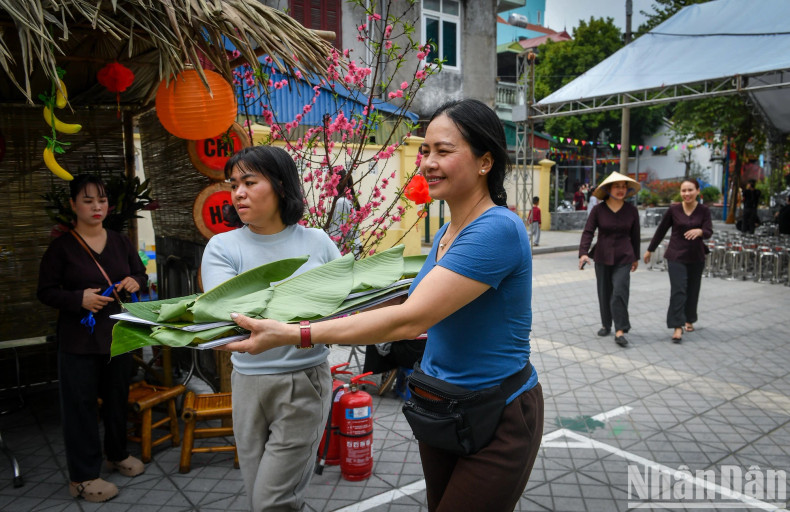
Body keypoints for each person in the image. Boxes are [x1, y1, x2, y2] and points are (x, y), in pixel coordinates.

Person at [218, 99, 543, 512]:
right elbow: (407, 300)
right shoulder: (448, 231)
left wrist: (297, 333)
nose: (427, 162)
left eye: (444, 151)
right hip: (443, 405)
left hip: (498, 411)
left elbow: (411, 318)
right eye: (425, 150)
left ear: (484, 162)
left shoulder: (497, 228)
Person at [199, 146, 341, 512]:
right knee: (257, 493)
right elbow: (230, 314)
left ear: (280, 185)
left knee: (272, 501)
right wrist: (309, 306)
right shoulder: (222, 246)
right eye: (234, 184)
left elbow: (346, 304)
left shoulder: (318, 242)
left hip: (302, 380)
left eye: (249, 182)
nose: (238, 193)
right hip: (246, 383)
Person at [37, 174, 147, 503]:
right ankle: (83, 477)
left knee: (117, 399)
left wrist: (133, 281)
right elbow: (45, 292)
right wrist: (78, 299)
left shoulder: (120, 241)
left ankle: (116, 454)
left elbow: (139, 273)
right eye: (88, 200)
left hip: (116, 336)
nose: (96, 207)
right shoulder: (61, 248)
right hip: (79, 341)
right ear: (73, 205)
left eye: (101, 200)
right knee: (80, 407)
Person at [642, 180, 712, 343]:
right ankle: (677, 326)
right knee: (678, 290)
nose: (687, 194)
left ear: (697, 191)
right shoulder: (674, 209)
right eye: (683, 190)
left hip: (696, 256)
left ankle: (689, 319)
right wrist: (650, 250)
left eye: (690, 190)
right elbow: (661, 230)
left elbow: (709, 231)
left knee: (693, 290)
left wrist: (700, 231)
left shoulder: (704, 210)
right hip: (676, 256)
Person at [578, 172, 641, 347]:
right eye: (617, 186)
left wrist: (635, 257)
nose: (621, 190)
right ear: (608, 189)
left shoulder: (632, 211)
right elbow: (588, 231)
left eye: (623, 186)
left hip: (625, 256)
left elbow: (635, 236)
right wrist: (583, 252)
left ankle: (620, 329)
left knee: (619, 292)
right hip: (602, 255)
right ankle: (606, 324)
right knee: (604, 292)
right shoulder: (598, 210)